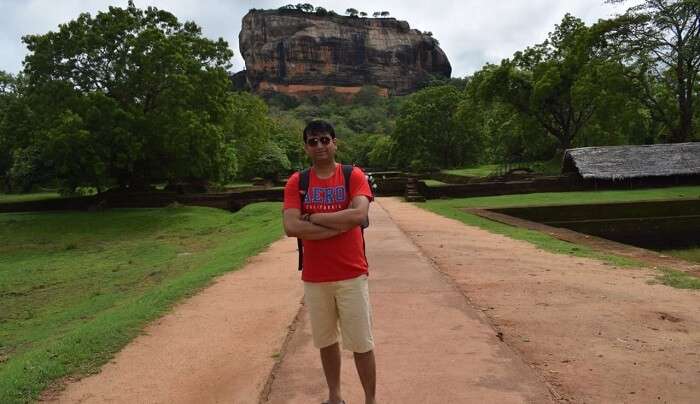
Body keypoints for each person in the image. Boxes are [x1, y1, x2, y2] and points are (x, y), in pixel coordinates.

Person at [282, 120, 376, 404]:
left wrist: (315, 218)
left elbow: (359, 215)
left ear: (335, 142)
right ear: (306, 148)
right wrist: (340, 224)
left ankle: (370, 400)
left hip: (351, 273)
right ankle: (335, 397)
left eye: (325, 140)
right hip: (315, 276)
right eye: (313, 141)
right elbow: (291, 227)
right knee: (326, 341)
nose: (320, 146)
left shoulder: (352, 175)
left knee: (361, 343)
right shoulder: (298, 182)